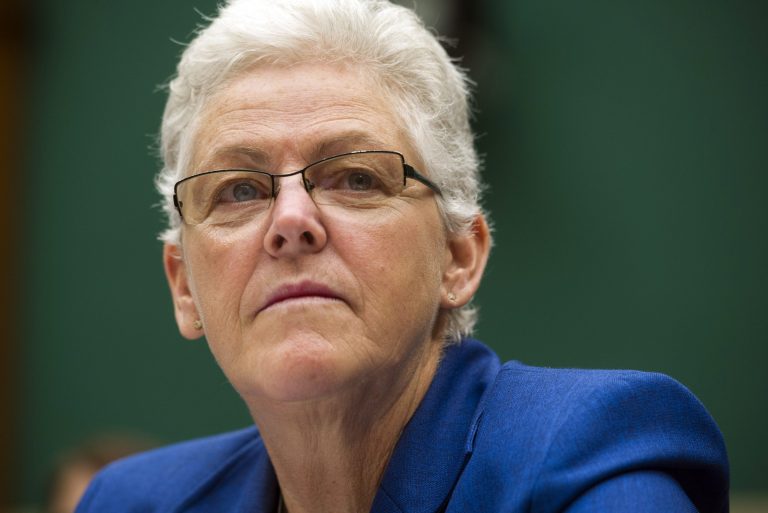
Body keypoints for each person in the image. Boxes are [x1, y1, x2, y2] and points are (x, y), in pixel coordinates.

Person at [75, 0, 729, 511]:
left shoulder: (587, 461)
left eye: (356, 178)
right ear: (184, 285)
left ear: (458, 256)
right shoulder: (131, 502)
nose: (291, 221)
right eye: (239, 190)